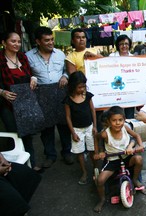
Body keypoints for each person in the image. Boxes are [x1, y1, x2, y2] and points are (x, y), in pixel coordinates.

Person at [25, 26, 73, 168]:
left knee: (64, 124)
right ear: (38, 41)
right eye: (47, 40)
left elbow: (66, 70)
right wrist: (32, 78)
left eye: (52, 39)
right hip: (41, 92)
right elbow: (27, 73)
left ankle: (67, 152)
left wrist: (65, 76)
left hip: (60, 90)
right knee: (46, 127)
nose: (51, 42)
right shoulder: (28, 56)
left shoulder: (60, 54)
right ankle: (50, 155)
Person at [0, 31, 40, 171]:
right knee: (15, 135)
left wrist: (33, 79)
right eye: (13, 41)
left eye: (18, 41)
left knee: (28, 134)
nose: (17, 44)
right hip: (8, 105)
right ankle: (15, 168)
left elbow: (30, 73)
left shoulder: (22, 57)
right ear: (4, 43)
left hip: (25, 103)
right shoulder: (0, 60)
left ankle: (31, 164)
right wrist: (2, 92)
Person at [94, 106, 145, 213]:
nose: (118, 123)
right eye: (114, 120)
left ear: (124, 119)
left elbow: (136, 135)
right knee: (100, 180)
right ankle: (102, 199)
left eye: (120, 120)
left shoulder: (125, 127)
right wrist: (98, 152)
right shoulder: (105, 133)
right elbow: (96, 137)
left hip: (126, 157)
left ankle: (135, 180)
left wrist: (138, 145)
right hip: (112, 160)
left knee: (139, 159)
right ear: (108, 121)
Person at [63, 71, 97, 185]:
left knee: (93, 150)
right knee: (79, 152)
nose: (82, 89)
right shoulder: (68, 100)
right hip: (77, 130)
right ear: (72, 86)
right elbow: (68, 117)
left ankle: (95, 170)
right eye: (79, 87)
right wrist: (73, 132)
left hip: (89, 127)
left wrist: (95, 126)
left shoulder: (87, 96)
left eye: (83, 86)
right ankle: (84, 172)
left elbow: (93, 110)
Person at [109, 34, 135, 119]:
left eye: (126, 44)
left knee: (129, 115)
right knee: (115, 114)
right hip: (115, 90)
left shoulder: (133, 58)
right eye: (121, 44)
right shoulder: (111, 57)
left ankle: (128, 130)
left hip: (130, 91)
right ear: (118, 45)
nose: (124, 46)